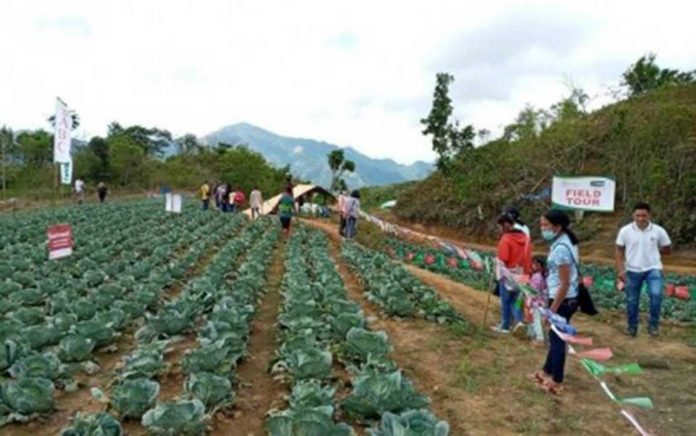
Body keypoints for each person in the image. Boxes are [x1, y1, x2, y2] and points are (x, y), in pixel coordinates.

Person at [530, 209, 580, 395]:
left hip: (563, 298)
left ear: (557, 227)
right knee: (554, 337)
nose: (543, 229)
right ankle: (546, 371)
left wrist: (552, 310)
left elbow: (565, 282)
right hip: (562, 296)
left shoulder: (561, 249)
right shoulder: (564, 241)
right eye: (542, 225)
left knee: (558, 340)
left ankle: (557, 380)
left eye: (546, 226)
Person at [615, 202, 672, 337]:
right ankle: (632, 327)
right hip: (632, 270)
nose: (641, 218)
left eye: (644, 215)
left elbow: (668, 248)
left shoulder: (658, 231)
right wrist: (620, 270)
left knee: (656, 295)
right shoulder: (625, 231)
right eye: (638, 215)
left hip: (653, 268)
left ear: (649, 215)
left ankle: (653, 326)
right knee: (632, 300)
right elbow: (618, 250)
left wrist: (656, 252)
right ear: (633, 215)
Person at [491, 212, 532, 334]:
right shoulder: (526, 238)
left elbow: (503, 258)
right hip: (523, 273)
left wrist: (496, 264)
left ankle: (505, 325)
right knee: (517, 301)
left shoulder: (506, 239)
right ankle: (518, 322)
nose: (499, 229)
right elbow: (528, 256)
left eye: (500, 226)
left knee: (506, 301)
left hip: (509, 273)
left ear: (505, 225)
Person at [527, 255, 548, 345]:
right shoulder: (546, 276)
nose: (532, 266)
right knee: (542, 320)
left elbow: (533, 291)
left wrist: (529, 301)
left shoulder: (536, 277)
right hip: (545, 301)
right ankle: (544, 337)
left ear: (539, 265)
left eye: (534, 264)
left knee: (536, 320)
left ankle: (539, 339)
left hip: (537, 302)